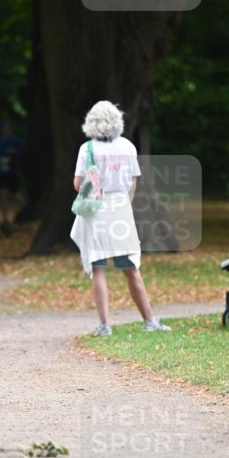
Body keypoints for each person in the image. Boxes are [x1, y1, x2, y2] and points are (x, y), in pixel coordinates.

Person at [70, 101, 171, 336]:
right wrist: (124, 204)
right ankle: (149, 320)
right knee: (130, 268)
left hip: (96, 211)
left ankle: (105, 325)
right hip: (121, 209)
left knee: (98, 268)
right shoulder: (127, 146)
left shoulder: (87, 149)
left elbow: (77, 184)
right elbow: (133, 182)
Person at [0, 120, 24, 234]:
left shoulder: (16, 142)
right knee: (3, 194)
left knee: (15, 194)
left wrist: (14, 153)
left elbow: (21, 154)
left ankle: (23, 209)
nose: (5, 131)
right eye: (4, 129)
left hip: (13, 172)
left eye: (7, 129)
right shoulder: (0, 142)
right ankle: (5, 218)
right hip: (2, 172)